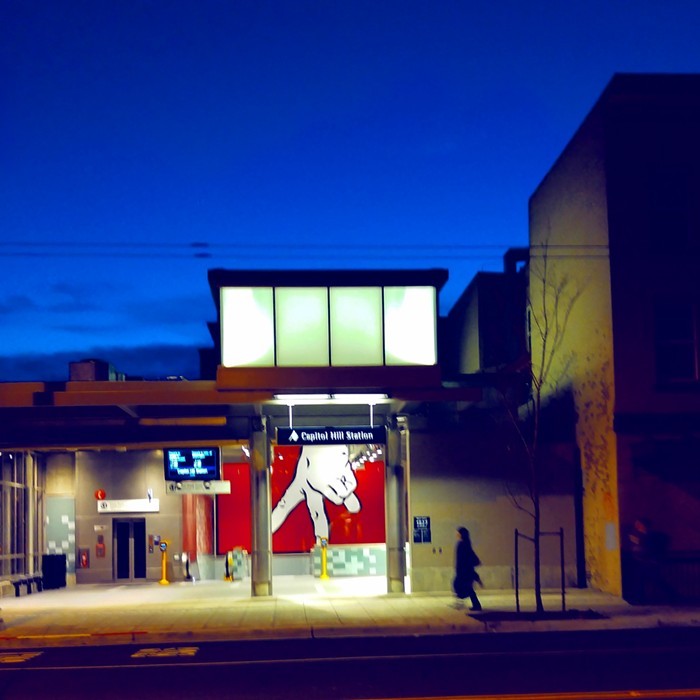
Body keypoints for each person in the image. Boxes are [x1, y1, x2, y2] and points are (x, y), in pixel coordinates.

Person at [453, 526, 482, 610]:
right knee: (468, 588)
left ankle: (476, 605)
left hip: (464, 571)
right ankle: (475, 604)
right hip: (466, 570)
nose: (456, 534)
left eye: (458, 533)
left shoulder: (462, 544)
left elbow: (462, 559)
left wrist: (459, 569)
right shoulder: (465, 543)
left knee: (466, 587)